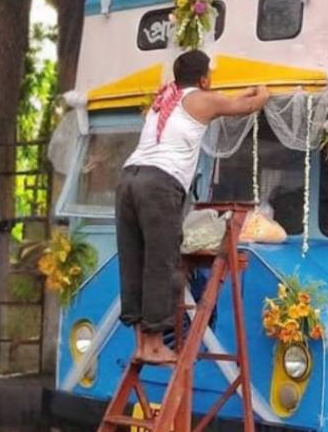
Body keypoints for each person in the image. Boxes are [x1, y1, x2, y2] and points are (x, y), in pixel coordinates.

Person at [116, 50, 270, 364]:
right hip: (159, 184)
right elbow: (248, 106)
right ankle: (155, 345)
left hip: (128, 179)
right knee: (161, 262)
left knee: (134, 260)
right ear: (204, 79)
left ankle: (141, 345)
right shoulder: (202, 99)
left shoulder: (164, 100)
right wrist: (263, 90)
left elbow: (222, 101)